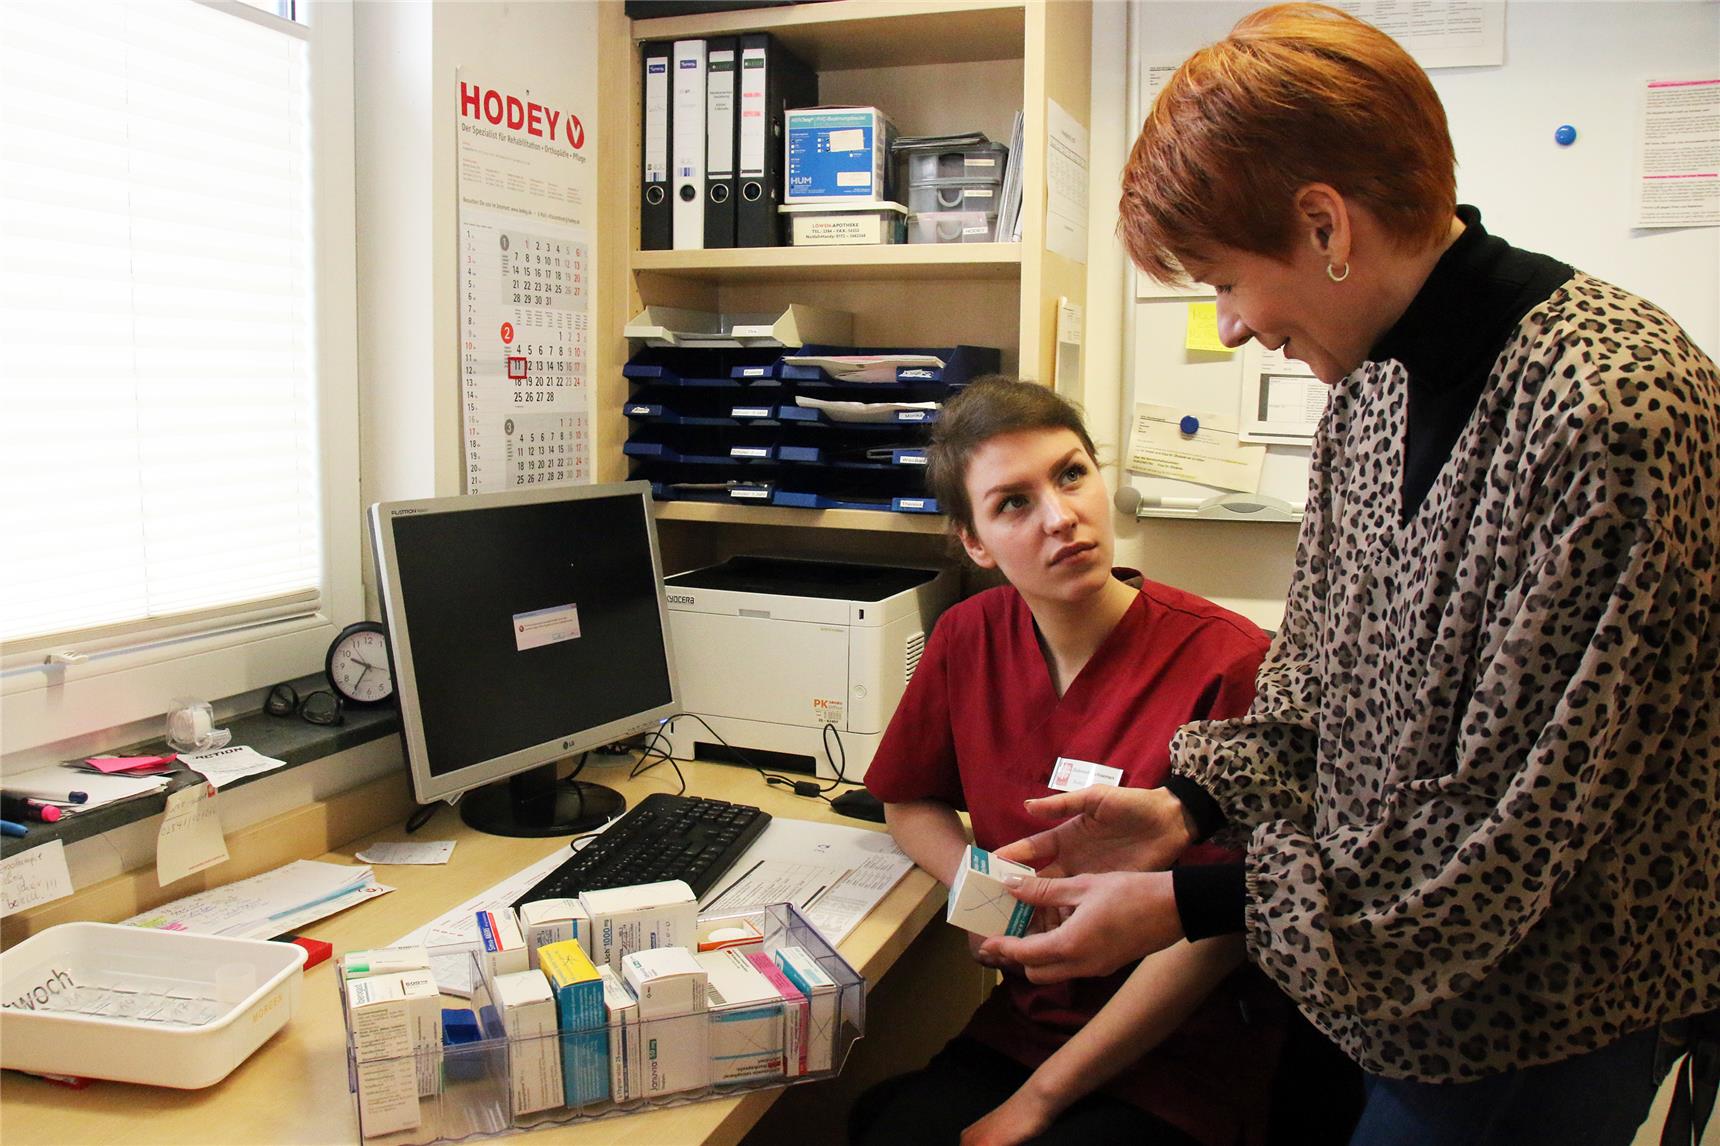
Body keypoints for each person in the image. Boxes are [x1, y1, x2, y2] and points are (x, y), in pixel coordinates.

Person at [980, 6, 1719, 1145]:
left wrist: (1186, 903)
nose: (1225, 329)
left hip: (1533, 1011)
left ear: (1325, 225)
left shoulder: (1610, 408)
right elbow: (1321, 688)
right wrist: (1189, 807)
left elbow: (1504, 834)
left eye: (1223, 280)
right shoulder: (1371, 391)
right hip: (1365, 980)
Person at [851, 376, 1302, 1146]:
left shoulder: (1231, 661)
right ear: (974, 543)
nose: (1062, 518)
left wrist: (1037, 1104)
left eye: (1071, 474)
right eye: (1013, 503)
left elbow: (1229, 927)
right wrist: (991, 895)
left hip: (1183, 1049)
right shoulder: (968, 637)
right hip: (1027, 1025)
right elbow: (908, 800)